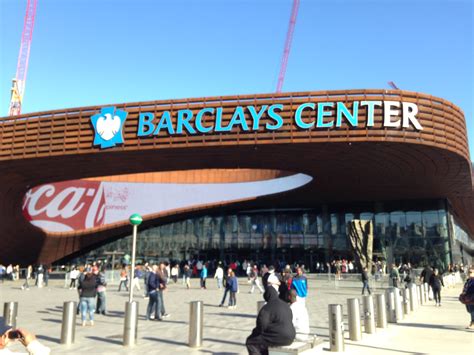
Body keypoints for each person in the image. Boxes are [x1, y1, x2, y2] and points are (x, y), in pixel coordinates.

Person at [246, 286, 295, 355]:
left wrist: (255, 332)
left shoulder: (266, 308)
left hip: (279, 337)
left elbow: (261, 326)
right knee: (263, 341)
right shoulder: (286, 305)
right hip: (291, 336)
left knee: (251, 342)